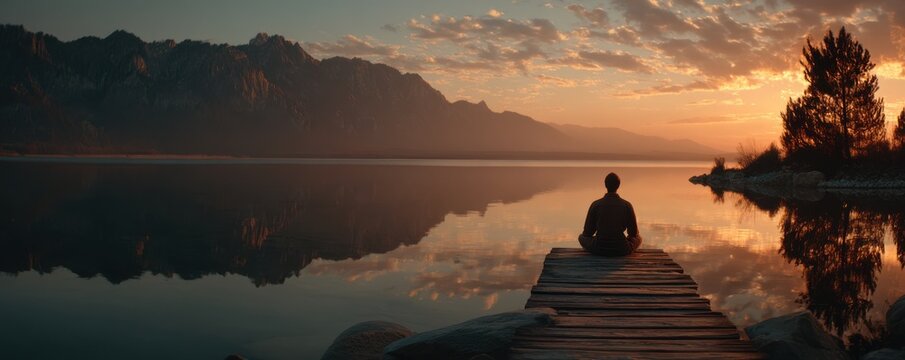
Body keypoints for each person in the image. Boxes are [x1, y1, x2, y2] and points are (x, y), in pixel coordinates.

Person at [579, 172, 642, 256]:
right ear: (618, 185)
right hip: (621, 249)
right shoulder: (627, 205)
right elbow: (633, 233)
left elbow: (587, 233)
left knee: (581, 237)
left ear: (605, 185)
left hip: (598, 248)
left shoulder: (596, 204)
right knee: (639, 238)